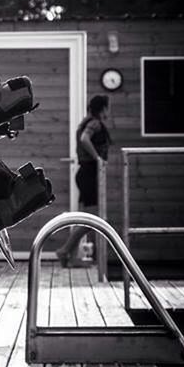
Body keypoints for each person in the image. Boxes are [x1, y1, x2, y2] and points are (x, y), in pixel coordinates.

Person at [56, 94, 111, 267]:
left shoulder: (86, 122)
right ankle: (64, 250)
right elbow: (84, 139)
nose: (109, 110)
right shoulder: (94, 123)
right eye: (108, 107)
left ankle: (71, 258)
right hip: (89, 173)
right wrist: (98, 159)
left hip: (85, 173)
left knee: (84, 218)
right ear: (102, 108)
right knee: (92, 218)